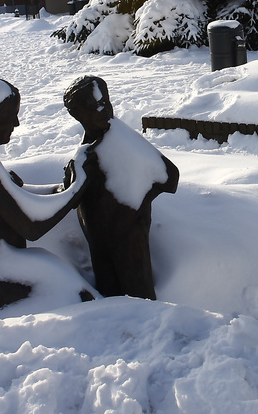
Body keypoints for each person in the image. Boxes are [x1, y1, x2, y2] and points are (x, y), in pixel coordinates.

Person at [0, 76, 91, 315]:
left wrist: (60, 191)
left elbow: (15, 201)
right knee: (80, 295)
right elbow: (32, 225)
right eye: (9, 116)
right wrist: (77, 189)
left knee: (67, 279)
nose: (16, 123)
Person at [63, 75, 179, 299]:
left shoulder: (122, 138)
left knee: (138, 292)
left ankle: (150, 328)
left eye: (105, 102)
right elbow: (73, 198)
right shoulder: (86, 151)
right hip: (98, 237)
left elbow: (169, 176)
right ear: (77, 115)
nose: (103, 110)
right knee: (109, 290)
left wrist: (135, 204)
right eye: (94, 106)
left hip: (129, 237)